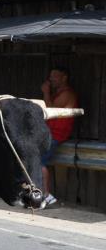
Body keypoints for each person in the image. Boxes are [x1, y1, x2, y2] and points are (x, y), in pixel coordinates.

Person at [40, 66, 79, 208]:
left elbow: (50, 110)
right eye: (51, 76)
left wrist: (45, 92)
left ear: (64, 77)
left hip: (56, 134)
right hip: (51, 133)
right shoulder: (59, 93)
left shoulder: (67, 94)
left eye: (55, 76)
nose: (51, 79)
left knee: (38, 162)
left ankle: (47, 196)